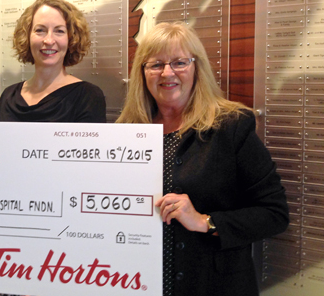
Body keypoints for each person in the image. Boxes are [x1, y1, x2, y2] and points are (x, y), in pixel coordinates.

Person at [116, 22, 289, 296]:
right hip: (136, 283)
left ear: (197, 68)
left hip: (212, 284)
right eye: (156, 64)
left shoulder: (231, 126)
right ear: (142, 73)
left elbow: (274, 214)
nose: (167, 73)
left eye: (179, 62)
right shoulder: (125, 132)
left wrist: (204, 221)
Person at [0, 0, 106, 123]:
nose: (48, 40)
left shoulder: (88, 97)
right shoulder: (8, 96)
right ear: (26, 36)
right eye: (40, 30)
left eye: (59, 31)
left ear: (72, 39)